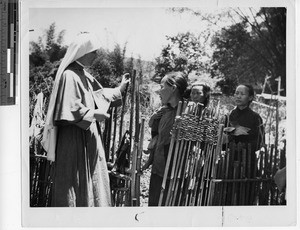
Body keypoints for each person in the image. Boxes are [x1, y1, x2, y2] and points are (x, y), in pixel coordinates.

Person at [41, 32, 130, 207]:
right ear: (83, 52)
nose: (96, 56)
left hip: (88, 140)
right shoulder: (69, 75)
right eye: (94, 52)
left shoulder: (83, 74)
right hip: (73, 141)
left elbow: (100, 94)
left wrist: (120, 88)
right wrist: (93, 114)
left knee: (90, 183)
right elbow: (68, 109)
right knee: (73, 183)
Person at [144, 72, 188, 206]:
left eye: (162, 87)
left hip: (176, 173)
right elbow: (156, 139)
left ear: (173, 88)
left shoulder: (188, 112)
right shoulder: (163, 112)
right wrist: (149, 161)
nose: (159, 91)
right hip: (158, 169)